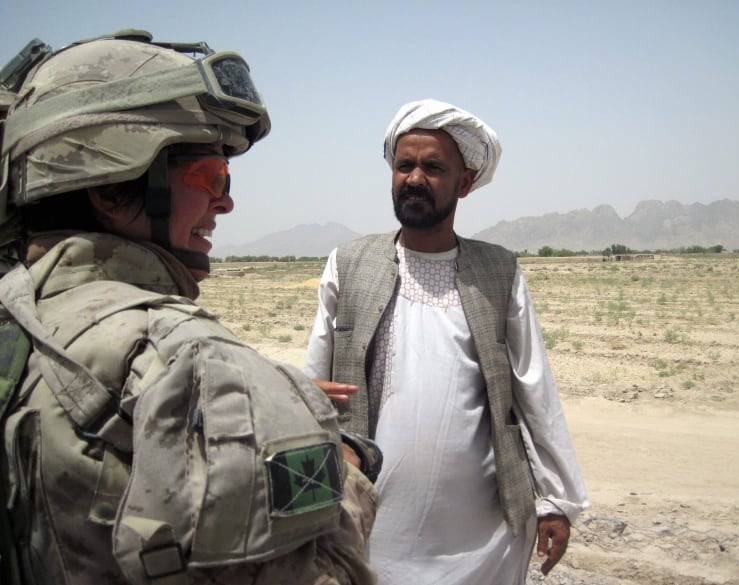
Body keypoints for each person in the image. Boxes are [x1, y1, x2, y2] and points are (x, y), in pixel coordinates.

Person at [0, 31, 379, 584]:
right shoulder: (192, 357)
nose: (226, 201)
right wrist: (342, 462)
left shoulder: (18, 313)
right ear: (107, 185)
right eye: (210, 176)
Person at [304, 99, 589, 584]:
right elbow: (314, 388)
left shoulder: (498, 271)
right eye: (404, 165)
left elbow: (534, 390)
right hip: (370, 523)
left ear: (465, 183)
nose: (414, 178)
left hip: (480, 537)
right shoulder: (348, 264)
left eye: (433, 167)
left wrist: (556, 498)